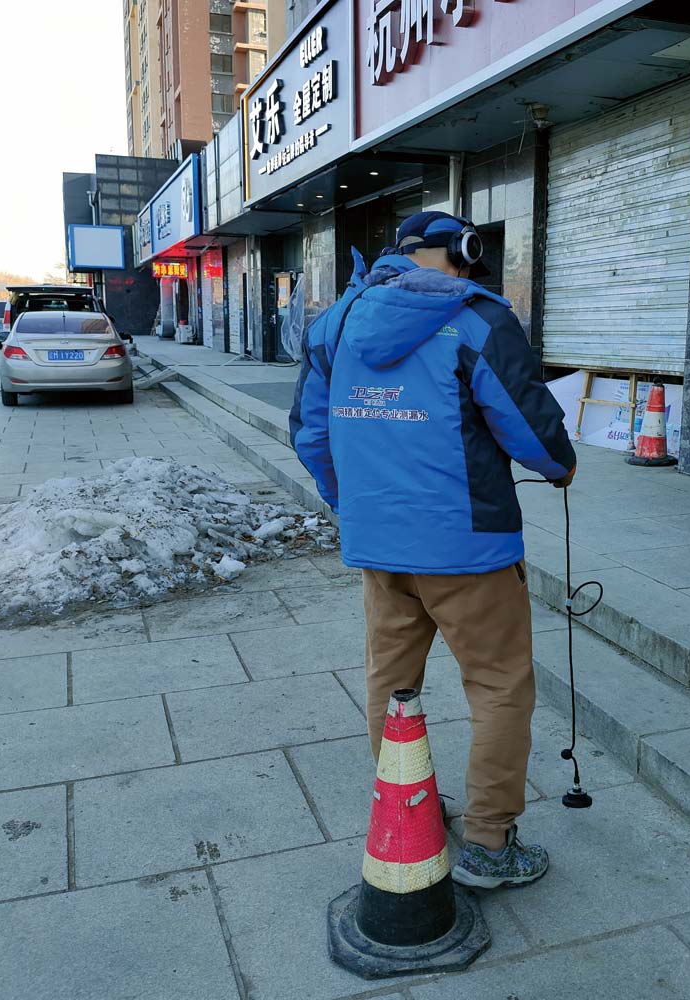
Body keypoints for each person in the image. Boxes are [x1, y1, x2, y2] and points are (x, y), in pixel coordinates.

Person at [290, 211, 576, 889]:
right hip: (468, 548)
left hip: (379, 550)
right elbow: (528, 424)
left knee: (390, 683)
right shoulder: (477, 320)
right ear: (463, 252)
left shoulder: (335, 324)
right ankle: (489, 844)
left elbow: (309, 433)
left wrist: (352, 505)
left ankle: (408, 810)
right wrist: (561, 465)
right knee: (499, 685)